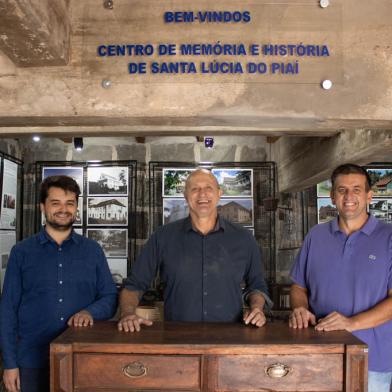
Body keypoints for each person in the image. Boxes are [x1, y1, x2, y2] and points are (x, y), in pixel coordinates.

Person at [0, 175, 117, 392]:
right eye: (56, 203)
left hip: (81, 359)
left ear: (76, 207)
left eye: (69, 203)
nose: (63, 209)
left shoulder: (93, 251)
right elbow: (7, 310)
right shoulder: (21, 253)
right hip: (31, 362)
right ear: (42, 207)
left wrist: (90, 312)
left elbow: (110, 297)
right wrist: (9, 364)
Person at [118, 168, 270, 332]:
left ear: (219, 193)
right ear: (185, 196)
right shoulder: (162, 237)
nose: (202, 194)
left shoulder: (244, 239)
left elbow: (257, 286)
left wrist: (257, 308)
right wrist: (127, 313)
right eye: (195, 189)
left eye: (208, 188)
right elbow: (134, 285)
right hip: (176, 340)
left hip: (230, 338)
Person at [289, 163, 392, 392]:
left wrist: (350, 323)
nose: (349, 196)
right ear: (333, 197)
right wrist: (299, 308)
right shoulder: (316, 236)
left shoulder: (389, 238)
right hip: (319, 355)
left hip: (372, 360)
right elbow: (298, 287)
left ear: (369, 196)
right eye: (342, 190)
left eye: (356, 189)